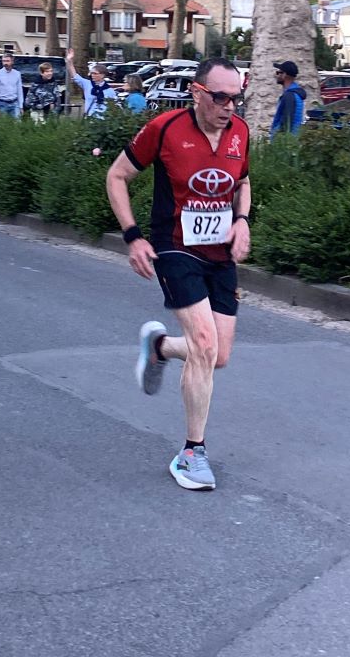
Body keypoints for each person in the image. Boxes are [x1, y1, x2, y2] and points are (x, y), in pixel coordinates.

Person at [106, 57, 250, 491]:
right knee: (204, 344)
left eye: (236, 97)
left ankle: (160, 348)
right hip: (175, 248)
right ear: (197, 92)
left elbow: (242, 181)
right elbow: (117, 176)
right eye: (220, 97)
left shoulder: (240, 132)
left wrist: (242, 220)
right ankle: (191, 454)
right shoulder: (165, 129)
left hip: (220, 254)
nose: (229, 106)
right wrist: (133, 236)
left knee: (218, 356)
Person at [65, 49, 118, 119]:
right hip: (89, 118)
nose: (92, 75)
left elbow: (114, 107)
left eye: (95, 73)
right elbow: (75, 76)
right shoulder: (87, 84)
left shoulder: (109, 90)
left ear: (102, 75)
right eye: (92, 73)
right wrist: (70, 61)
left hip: (103, 120)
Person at [270, 60, 307, 137]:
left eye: (278, 72)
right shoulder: (295, 93)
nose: (276, 75)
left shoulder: (289, 95)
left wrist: (278, 137)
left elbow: (287, 122)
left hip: (286, 140)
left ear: (284, 75)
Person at [0, 53, 24, 118]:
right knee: (3, 123)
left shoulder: (17, 74)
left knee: (17, 122)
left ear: (12, 61)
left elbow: (19, 90)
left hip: (15, 103)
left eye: (7, 61)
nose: (5, 63)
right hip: (2, 103)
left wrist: (21, 106)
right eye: (3, 61)